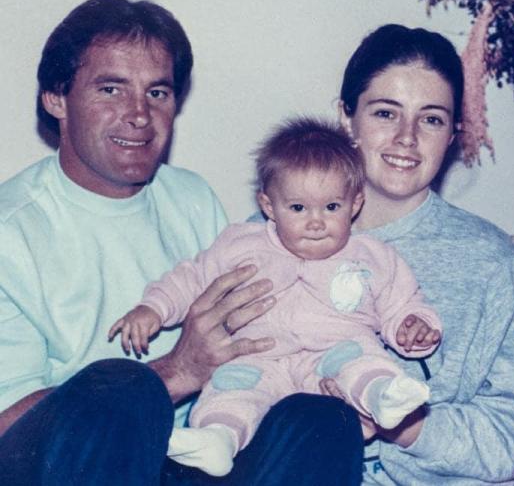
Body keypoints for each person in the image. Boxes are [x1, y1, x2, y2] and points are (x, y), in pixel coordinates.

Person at [0, 0, 361, 486]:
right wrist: (174, 372)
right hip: (71, 469)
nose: (139, 114)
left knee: (321, 420)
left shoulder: (191, 198)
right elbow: (9, 432)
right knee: (122, 384)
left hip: (189, 457)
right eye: (111, 89)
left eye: (158, 93)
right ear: (56, 97)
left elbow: (253, 336)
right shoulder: (10, 232)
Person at [109, 118, 442, 477]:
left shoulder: (373, 256)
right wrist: (153, 308)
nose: (316, 222)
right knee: (230, 389)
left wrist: (415, 325)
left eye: (331, 207)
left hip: (333, 357)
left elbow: (403, 302)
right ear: (269, 206)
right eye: (298, 209)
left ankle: (384, 397)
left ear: (355, 203)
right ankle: (217, 438)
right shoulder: (241, 243)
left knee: (365, 364)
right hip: (258, 357)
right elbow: (191, 278)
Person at [329, 23, 514, 485]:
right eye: (386, 113)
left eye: (431, 119)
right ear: (346, 118)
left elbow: (513, 434)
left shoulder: (490, 262)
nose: (407, 138)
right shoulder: (273, 237)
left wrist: (409, 426)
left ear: (452, 136)